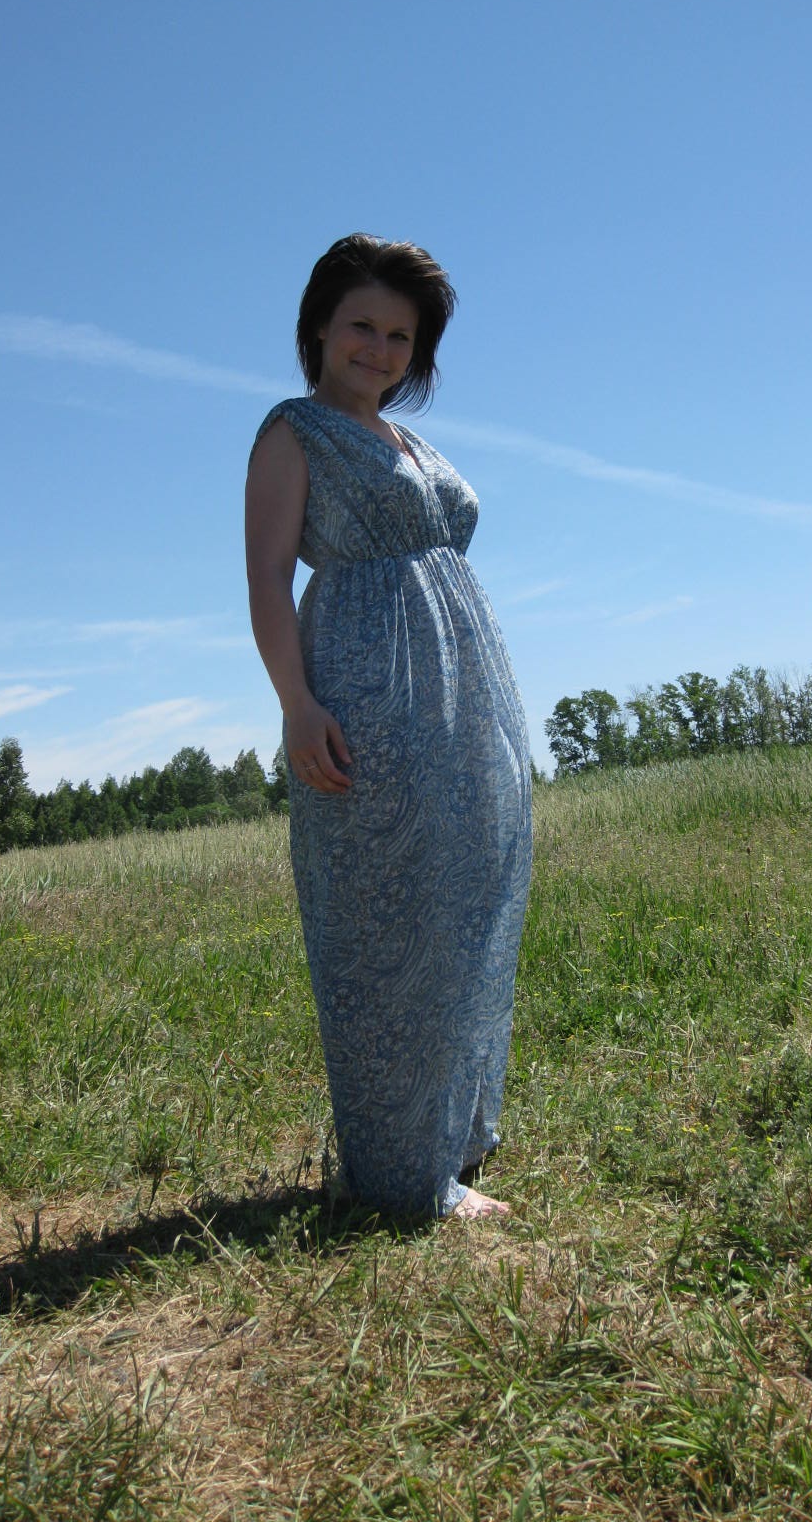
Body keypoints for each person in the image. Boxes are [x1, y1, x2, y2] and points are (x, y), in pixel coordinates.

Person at [244, 234, 532, 1219]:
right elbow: (266, 581)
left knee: (467, 907)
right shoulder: (294, 432)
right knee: (390, 924)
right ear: (319, 327)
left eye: (401, 336)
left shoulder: (413, 443)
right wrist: (298, 705)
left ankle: (452, 1136)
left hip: (467, 699)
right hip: (370, 696)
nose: (379, 348)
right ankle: (404, 1180)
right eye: (361, 325)